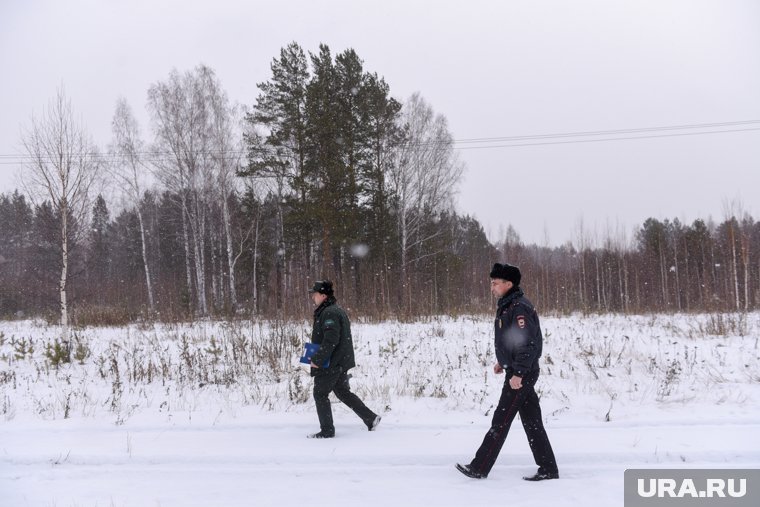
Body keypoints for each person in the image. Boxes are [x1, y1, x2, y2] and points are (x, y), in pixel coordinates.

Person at [456, 263, 559, 481]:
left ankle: (479, 467)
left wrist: (518, 373)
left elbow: (528, 344)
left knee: (500, 421)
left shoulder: (518, 307)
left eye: (495, 283)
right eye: (491, 283)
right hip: (518, 371)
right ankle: (549, 468)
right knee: (532, 423)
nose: (491, 287)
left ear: (508, 284)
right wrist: (502, 362)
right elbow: (513, 342)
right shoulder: (509, 305)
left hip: (522, 374)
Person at [306, 279, 381, 439]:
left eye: (315, 294)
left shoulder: (329, 313)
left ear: (323, 295)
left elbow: (331, 340)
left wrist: (317, 360)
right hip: (340, 360)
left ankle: (327, 431)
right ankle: (370, 418)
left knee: (320, 393)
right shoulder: (331, 310)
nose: (313, 297)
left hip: (332, 362)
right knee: (342, 392)